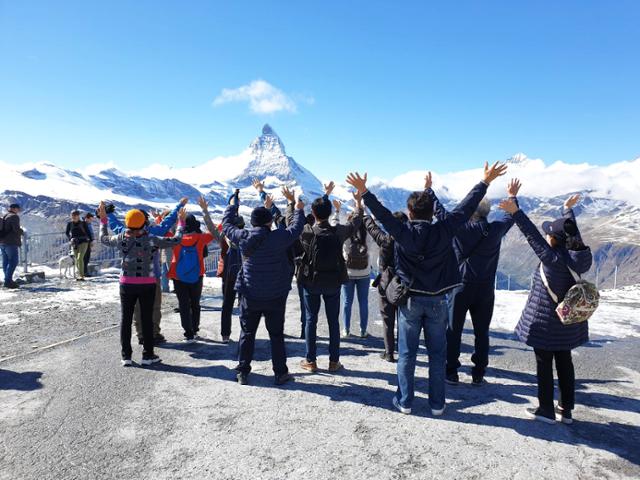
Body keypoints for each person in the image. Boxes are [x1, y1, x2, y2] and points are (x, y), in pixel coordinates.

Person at [346, 162, 507, 416]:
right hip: (438, 301)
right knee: (437, 354)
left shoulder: (402, 231)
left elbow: (383, 214)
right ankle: (437, 404)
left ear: (409, 213)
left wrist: (364, 193)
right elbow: (466, 208)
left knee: (407, 355)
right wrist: (484, 182)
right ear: (432, 213)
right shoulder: (444, 229)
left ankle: (406, 401)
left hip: (410, 301)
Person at [499, 194, 592, 425]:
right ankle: (566, 410)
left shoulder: (551, 257)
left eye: (549, 233)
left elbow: (531, 234)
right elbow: (573, 234)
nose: (546, 235)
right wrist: (567, 211)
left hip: (547, 323)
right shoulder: (578, 256)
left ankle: (546, 410)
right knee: (565, 363)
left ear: (553, 240)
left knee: (544, 364)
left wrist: (515, 213)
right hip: (569, 322)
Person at [222, 189, 306, 385]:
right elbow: (296, 227)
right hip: (275, 295)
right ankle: (280, 373)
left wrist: (233, 206)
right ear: (269, 222)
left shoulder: (243, 236)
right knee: (276, 335)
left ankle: (243, 371)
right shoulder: (279, 237)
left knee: (247, 333)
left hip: (250, 294)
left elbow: (226, 225)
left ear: (252, 222)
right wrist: (299, 210)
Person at [443, 179, 521, 386]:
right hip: (485, 289)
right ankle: (478, 372)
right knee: (481, 332)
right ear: (487, 213)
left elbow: (440, 214)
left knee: (454, 329)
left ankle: (451, 371)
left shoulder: (460, 230)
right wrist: (513, 196)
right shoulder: (495, 230)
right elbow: (511, 216)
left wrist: (429, 191)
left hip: (460, 286)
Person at [99, 201, 186, 366]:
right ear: (144, 222)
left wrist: (104, 220)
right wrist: (181, 222)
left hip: (126, 283)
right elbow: (176, 239)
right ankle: (148, 355)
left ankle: (126, 356)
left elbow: (103, 238)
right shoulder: (152, 239)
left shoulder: (120, 237)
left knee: (126, 319)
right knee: (147, 318)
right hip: (148, 282)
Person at [295, 181, 363, 373]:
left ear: (313, 214)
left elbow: (293, 223)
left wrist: (298, 209)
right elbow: (356, 222)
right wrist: (358, 204)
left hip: (311, 282)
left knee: (311, 320)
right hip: (333, 282)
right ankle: (334, 362)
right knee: (333, 321)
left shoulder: (307, 232)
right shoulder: (338, 231)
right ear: (330, 213)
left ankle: (311, 361)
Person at [168, 196, 222, 342]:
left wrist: (161, 218)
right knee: (195, 303)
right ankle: (195, 328)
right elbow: (216, 230)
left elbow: (162, 230)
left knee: (183, 304)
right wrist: (205, 210)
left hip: (177, 276)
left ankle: (188, 333)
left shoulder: (175, 239)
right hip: (197, 275)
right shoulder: (201, 238)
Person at [364, 210, 408, 362]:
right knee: (403, 319)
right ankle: (404, 352)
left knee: (387, 320)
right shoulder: (410, 242)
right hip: (404, 286)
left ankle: (389, 353)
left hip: (385, 283)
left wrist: (361, 209)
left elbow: (371, 227)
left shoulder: (385, 239)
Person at [333, 200, 372, 338]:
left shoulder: (346, 232)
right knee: (363, 302)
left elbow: (334, 226)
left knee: (347, 302)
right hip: (365, 272)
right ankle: (363, 330)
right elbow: (373, 249)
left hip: (348, 272)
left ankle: (346, 329)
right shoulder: (367, 233)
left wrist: (337, 211)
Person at [219, 191, 245, 343]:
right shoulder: (247, 238)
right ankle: (245, 332)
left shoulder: (226, 237)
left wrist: (233, 205)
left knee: (227, 305)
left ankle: (225, 335)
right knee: (244, 305)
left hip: (229, 275)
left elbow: (226, 224)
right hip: (243, 275)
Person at [0, 203, 24, 289]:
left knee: (6, 261)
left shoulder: (5, 216)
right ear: (15, 209)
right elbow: (16, 229)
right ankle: (8, 281)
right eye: (18, 209)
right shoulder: (14, 216)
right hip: (11, 242)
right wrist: (22, 232)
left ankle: (7, 280)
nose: (19, 210)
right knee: (13, 261)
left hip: (2, 242)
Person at [65, 210, 91, 281]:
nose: (74, 217)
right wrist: (70, 238)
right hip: (75, 243)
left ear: (78, 216)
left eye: (75, 215)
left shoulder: (83, 223)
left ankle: (81, 275)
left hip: (84, 242)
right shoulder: (69, 224)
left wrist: (91, 241)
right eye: (72, 215)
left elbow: (88, 233)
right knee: (76, 259)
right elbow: (67, 233)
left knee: (80, 258)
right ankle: (80, 274)